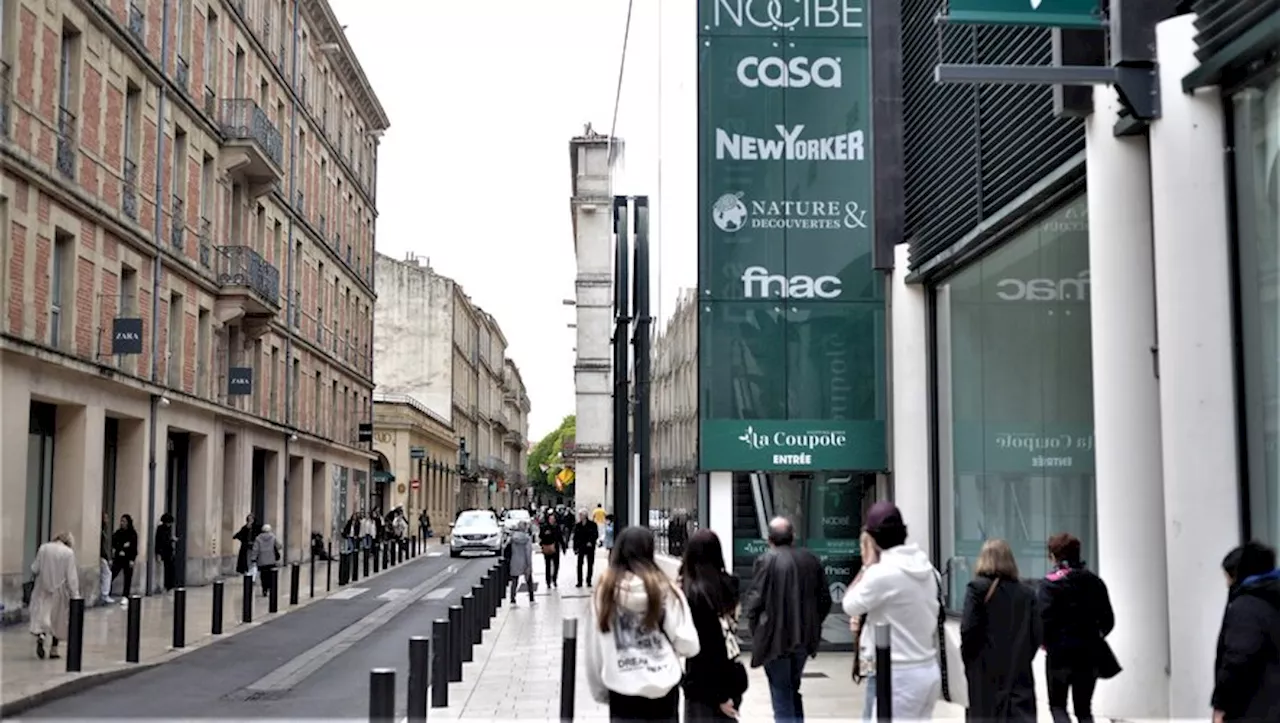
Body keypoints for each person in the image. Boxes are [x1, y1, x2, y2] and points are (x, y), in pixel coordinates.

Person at [584, 525, 700, 721]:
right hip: (664, 690)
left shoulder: (603, 594)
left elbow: (594, 651)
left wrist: (601, 690)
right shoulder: (666, 591)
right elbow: (690, 644)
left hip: (623, 691)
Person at [842, 502, 940, 720]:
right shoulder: (927, 568)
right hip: (926, 668)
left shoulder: (882, 574)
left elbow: (850, 604)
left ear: (873, 539)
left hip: (895, 673)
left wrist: (867, 565)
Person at [745, 517, 832, 723]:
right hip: (803, 636)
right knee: (792, 688)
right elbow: (824, 600)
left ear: (769, 539)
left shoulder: (766, 561)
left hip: (775, 639)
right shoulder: (811, 560)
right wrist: (813, 623)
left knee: (781, 693)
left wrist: (756, 630)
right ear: (793, 536)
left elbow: (755, 601)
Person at [1038, 532, 1115, 723]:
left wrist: (1046, 643)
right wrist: (1094, 635)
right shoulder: (1095, 582)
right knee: (1083, 709)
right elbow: (1108, 620)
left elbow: (1042, 620)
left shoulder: (1049, 584)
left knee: (1058, 706)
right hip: (1088, 654)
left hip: (1059, 654)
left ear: (1054, 556)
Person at [960, 538, 1041, 721]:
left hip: (985, 674)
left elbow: (968, 630)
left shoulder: (976, 589)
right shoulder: (1027, 593)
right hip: (1018, 673)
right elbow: (1036, 634)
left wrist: (971, 662)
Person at [680, 529, 748, 722]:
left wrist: (719, 697)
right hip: (730, 672)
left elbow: (708, 648)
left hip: (702, 683)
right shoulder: (729, 585)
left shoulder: (693, 594)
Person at [1212, 540, 1280, 722]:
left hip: (1252, 710)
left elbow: (1238, 659)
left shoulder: (1246, 606)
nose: (1227, 584)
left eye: (1229, 577)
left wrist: (1221, 704)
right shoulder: (1273, 598)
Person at [29, 532, 79, 659]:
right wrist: (75, 595)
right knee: (58, 620)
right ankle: (54, 649)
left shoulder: (44, 548)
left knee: (42, 615)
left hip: (42, 588)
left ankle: (41, 635)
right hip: (59, 590)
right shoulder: (68, 553)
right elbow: (71, 577)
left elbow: (35, 568)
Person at [110, 514, 139, 606]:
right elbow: (114, 543)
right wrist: (123, 547)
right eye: (121, 521)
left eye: (124, 521)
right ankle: (107, 592)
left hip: (128, 559)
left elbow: (133, 547)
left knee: (128, 578)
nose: (122, 523)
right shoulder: (118, 532)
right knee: (112, 574)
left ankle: (125, 596)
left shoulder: (133, 533)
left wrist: (132, 559)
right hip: (118, 558)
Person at [508, 519, 536, 605]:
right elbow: (528, 552)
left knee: (514, 581)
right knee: (529, 580)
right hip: (524, 561)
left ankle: (512, 599)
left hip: (515, 560)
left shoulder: (513, 538)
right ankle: (531, 599)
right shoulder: (527, 539)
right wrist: (529, 565)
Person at [252, 523, 283, 598]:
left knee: (263, 576)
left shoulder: (258, 538)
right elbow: (279, 546)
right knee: (270, 575)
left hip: (262, 561)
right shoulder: (273, 537)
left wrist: (253, 558)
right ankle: (270, 587)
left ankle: (264, 589)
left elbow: (255, 549)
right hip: (271, 560)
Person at [573, 509, 599, 587]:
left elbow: (595, 534)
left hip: (589, 547)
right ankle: (579, 581)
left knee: (590, 564)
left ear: (585, 515)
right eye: (579, 515)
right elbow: (575, 537)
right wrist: (575, 547)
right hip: (581, 546)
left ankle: (588, 580)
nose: (580, 516)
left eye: (581, 515)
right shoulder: (578, 525)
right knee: (579, 564)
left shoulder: (592, 524)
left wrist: (591, 541)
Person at [539, 512, 565, 588]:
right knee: (548, 565)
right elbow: (540, 536)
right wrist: (545, 534)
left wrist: (563, 547)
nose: (552, 520)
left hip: (556, 548)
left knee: (556, 564)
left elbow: (560, 537)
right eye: (551, 519)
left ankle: (554, 579)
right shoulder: (544, 527)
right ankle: (548, 581)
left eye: (553, 519)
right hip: (547, 547)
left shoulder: (557, 527)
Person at [156, 513, 178, 591]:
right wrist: (158, 553)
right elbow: (160, 541)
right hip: (164, 552)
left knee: (171, 569)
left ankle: (170, 585)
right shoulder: (161, 529)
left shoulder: (168, 529)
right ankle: (166, 586)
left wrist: (172, 539)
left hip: (169, 552)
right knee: (167, 569)